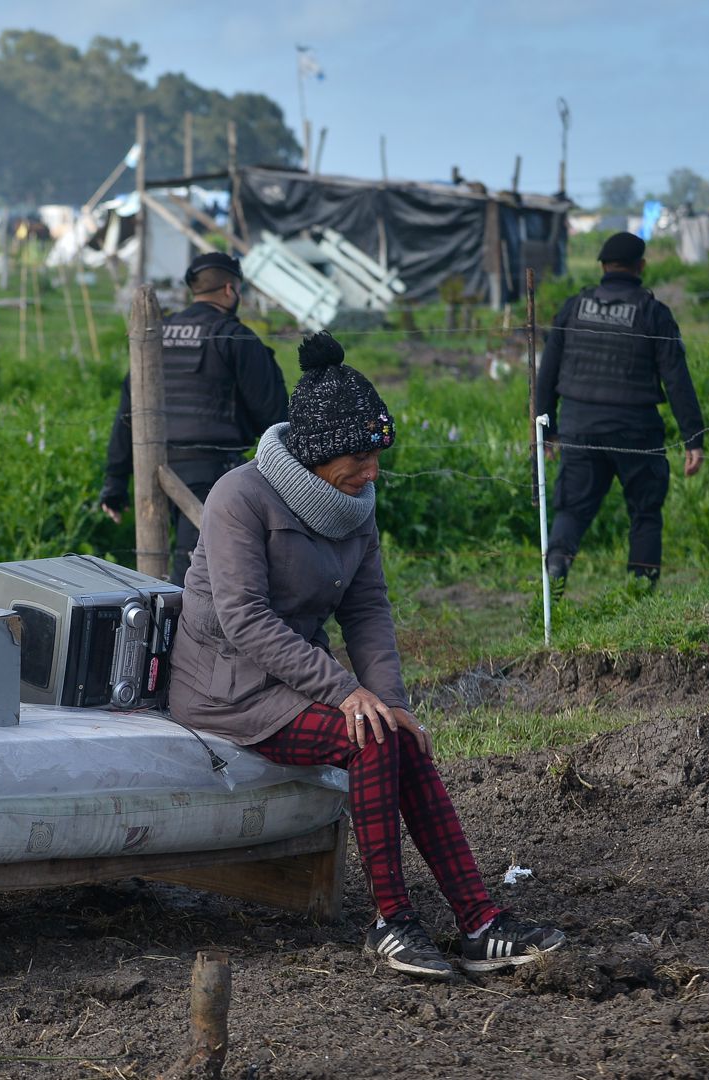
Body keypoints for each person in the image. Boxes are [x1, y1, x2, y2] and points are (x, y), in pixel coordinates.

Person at [169, 333, 565, 979]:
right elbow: (244, 617)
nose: (372, 472)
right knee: (370, 738)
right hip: (227, 687)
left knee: (398, 735)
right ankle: (393, 922)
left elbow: (367, 611)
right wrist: (346, 693)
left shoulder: (352, 505)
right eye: (359, 457)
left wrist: (393, 701)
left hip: (292, 678)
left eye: (377, 456)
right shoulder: (239, 497)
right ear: (316, 454)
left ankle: (480, 923)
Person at [100, 251, 289, 582]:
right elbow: (273, 415)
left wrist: (115, 482)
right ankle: (179, 635)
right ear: (231, 290)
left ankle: (158, 632)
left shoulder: (155, 334)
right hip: (212, 474)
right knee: (197, 577)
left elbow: (128, 413)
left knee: (168, 571)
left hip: (151, 471)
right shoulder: (235, 336)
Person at [535, 231, 706, 591]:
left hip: (579, 426)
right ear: (641, 266)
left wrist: (546, 428)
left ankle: (555, 575)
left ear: (602, 267)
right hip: (636, 430)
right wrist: (694, 437)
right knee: (644, 512)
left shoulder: (573, 307)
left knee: (572, 510)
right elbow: (677, 379)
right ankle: (641, 590)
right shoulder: (653, 313)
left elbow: (547, 371)